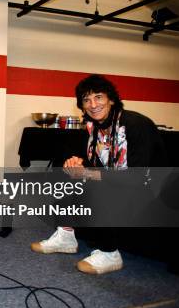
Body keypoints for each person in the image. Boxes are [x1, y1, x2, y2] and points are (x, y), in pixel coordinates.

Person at [31, 74, 167, 275]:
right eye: (87, 100)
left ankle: (110, 253)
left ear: (111, 99)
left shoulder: (135, 125)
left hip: (148, 186)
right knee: (63, 171)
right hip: (119, 181)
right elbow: (98, 163)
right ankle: (66, 236)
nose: (93, 104)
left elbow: (136, 177)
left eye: (99, 97)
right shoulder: (93, 127)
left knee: (98, 184)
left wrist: (90, 173)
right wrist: (76, 163)